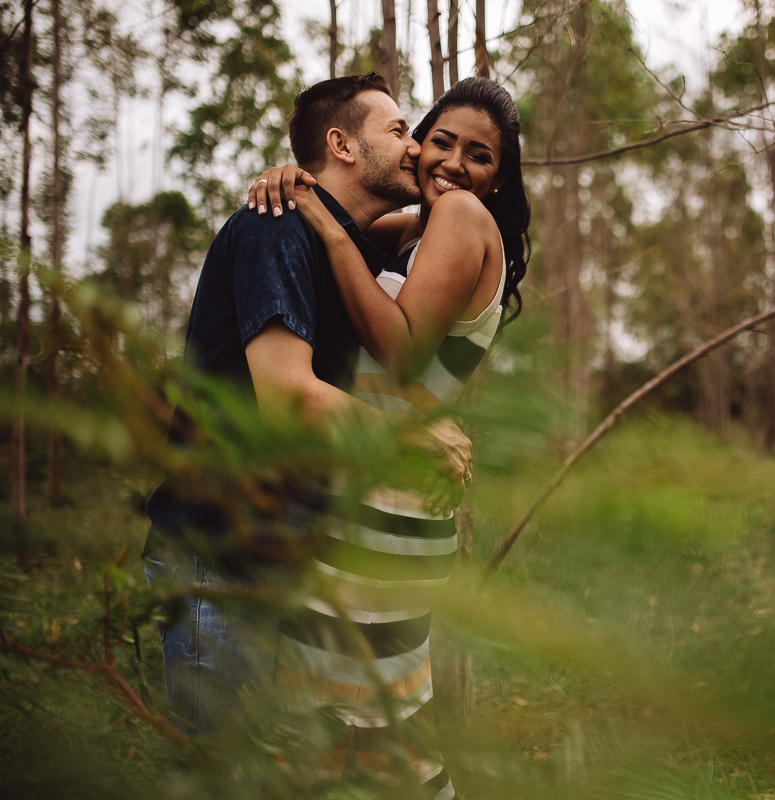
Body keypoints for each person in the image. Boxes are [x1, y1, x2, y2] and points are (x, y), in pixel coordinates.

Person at [142, 73, 470, 740]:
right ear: (342, 145)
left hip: (288, 561)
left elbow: (453, 224)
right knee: (220, 766)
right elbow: (289, 398)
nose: (415, 148)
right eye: (398, 131)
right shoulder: (276, 230)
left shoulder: (349, 244)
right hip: (218, 558)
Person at [248, 77, 531, 793]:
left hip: (385, 516)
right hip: (381, 509)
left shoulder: (462, 216)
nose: (454, 164)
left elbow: (401, 351)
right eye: (441, 142)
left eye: (479, 156)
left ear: (498, 179)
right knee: (378, 738)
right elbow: (333, 217)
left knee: (329, 737)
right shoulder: (417, 230)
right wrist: (294, 180)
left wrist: (321, 218)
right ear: (419, 144)